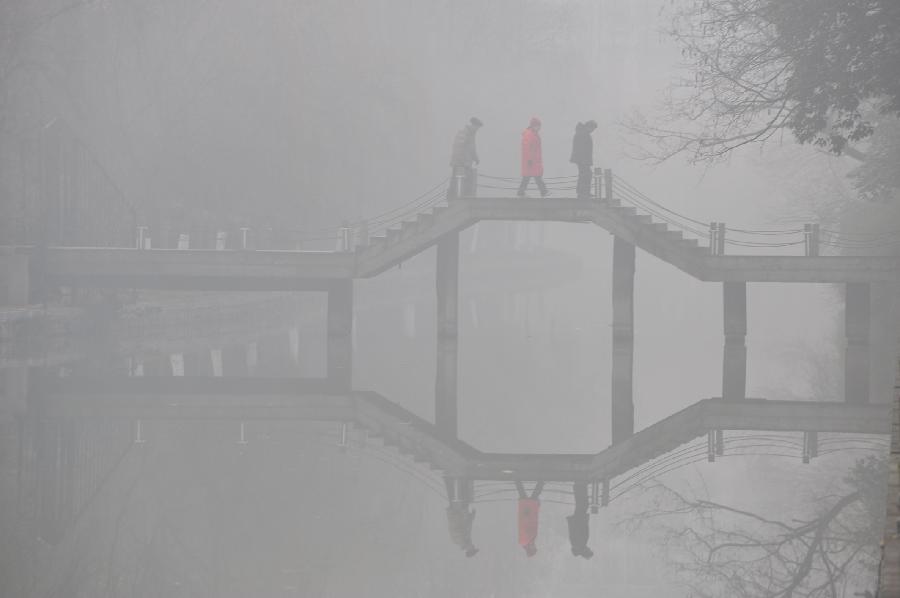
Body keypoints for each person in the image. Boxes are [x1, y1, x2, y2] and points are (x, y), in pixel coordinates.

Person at [449, 117, 483, 198]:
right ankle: (455, 197)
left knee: (465, 182)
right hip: (460, 163)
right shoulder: (464, 132)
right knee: (458, 182)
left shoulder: (471, 134)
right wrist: (462, 162)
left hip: (465, 163)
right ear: (474, 125)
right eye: (477, 127)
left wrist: (476, 158)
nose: (477, 130)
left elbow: (471, 148)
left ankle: (463, 196)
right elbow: (458, 147)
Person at [445, 477, 479, 557]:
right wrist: (472, 515)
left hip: (456, 511)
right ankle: (463, 479)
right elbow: (468, 525)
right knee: (465, 496)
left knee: (453, 495)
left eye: (472, 548)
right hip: (462, 511)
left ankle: (448, 479)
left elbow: (455, 525)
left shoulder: (458, 540)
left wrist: (459, 513)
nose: (473, 545)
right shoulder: (467, 539)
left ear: (468, 550)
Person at [517, 117, 549, 198]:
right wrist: (529, 159)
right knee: (535, 176)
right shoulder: (529, 134)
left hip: (533, 160)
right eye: (538, 126)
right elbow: (526, 148)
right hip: (531, 160)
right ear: (534, 125)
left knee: (528, 177)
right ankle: (544, 192)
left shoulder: (532, 134)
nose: (539, 128)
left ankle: (521, 192)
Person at [516, 480, 544, 557]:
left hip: (527, 512)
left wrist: (527, 513)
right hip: (530, 511)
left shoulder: (524, 541)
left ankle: (543, 479)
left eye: (534, 548)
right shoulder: (529, 541)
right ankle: (517, 478)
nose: (535, 546)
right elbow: (534, 522)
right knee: (523, 492)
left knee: (533, 493)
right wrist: (537, 507)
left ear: (530, 549)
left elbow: (524, 525)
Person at [570, 120, 597, 199]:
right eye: (592, 129)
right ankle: (583, 192)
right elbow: (581, 148)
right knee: (586, 174)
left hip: (582, 159)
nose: (592, 131)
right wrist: (584, 160)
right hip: (582, 159)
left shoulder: (582, 132)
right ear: (589, 126)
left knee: (585, 174)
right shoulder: (582, 133)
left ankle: (583, 192)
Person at [567, 482, 594, 559]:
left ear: (586, 552)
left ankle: (580, 485)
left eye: (589, 550)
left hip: (579, 518)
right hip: (578, 519)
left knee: (582, 503)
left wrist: (584, 519)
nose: (589, 548)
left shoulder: (580, 544)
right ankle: (580, 485)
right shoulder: (579, 545)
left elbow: (580, 528)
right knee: (582, 503)